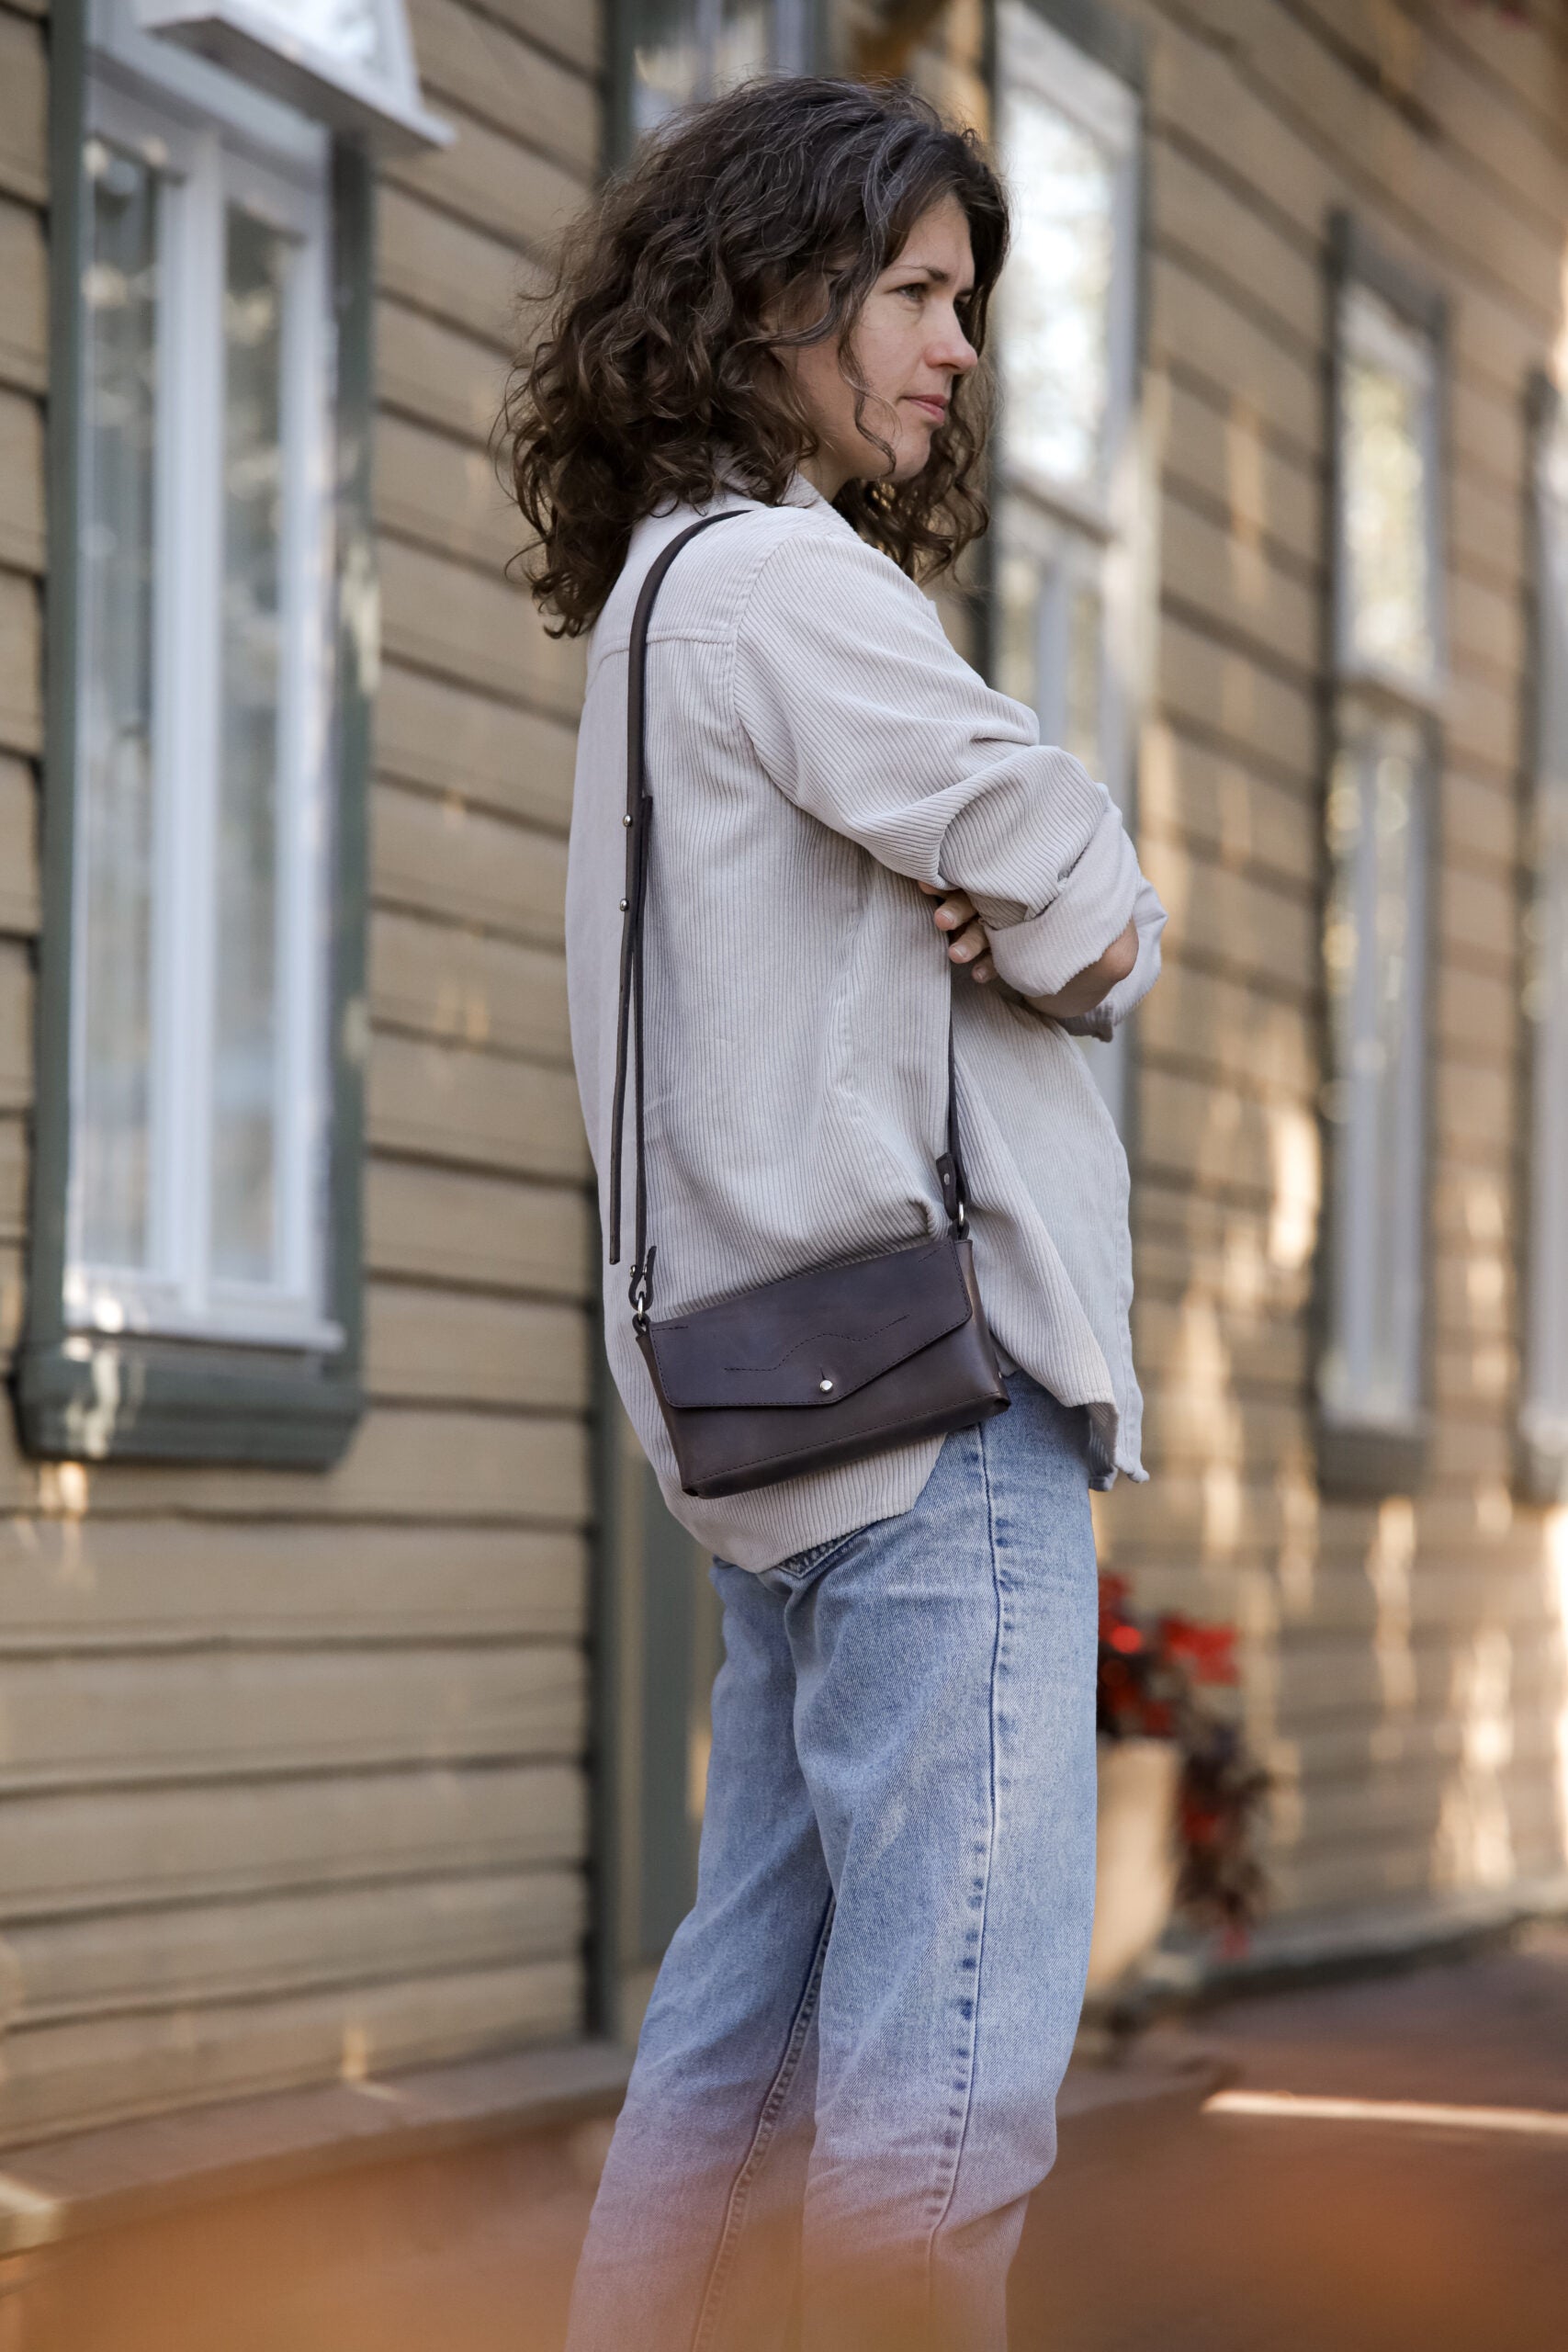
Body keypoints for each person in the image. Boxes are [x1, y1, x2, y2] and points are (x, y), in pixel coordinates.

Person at [502, 74, 1166, 2352]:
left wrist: (970, 898)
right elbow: (1072, 880)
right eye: (912, 293)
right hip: (936, 1407)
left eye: (958, 301)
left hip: (785, 1423)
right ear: (774, 300)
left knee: (734, 2047)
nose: (951, 348)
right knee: (936, 2098)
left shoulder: (667, 597)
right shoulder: (787, 581)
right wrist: (1061, 913)